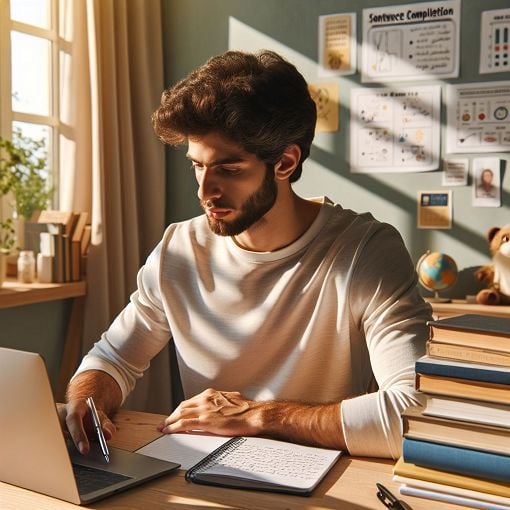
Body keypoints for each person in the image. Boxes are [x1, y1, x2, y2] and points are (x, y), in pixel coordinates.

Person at [60, 50, 432, 460]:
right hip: (205, 472)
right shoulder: (179, 250)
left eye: (229, 169)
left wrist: (261, 416)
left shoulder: (365, 251)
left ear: (286, 162)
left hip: (327, 480)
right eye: (197, 167)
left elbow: (417, 413)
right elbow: (114, 358)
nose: (204, 192)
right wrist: (86, 397)